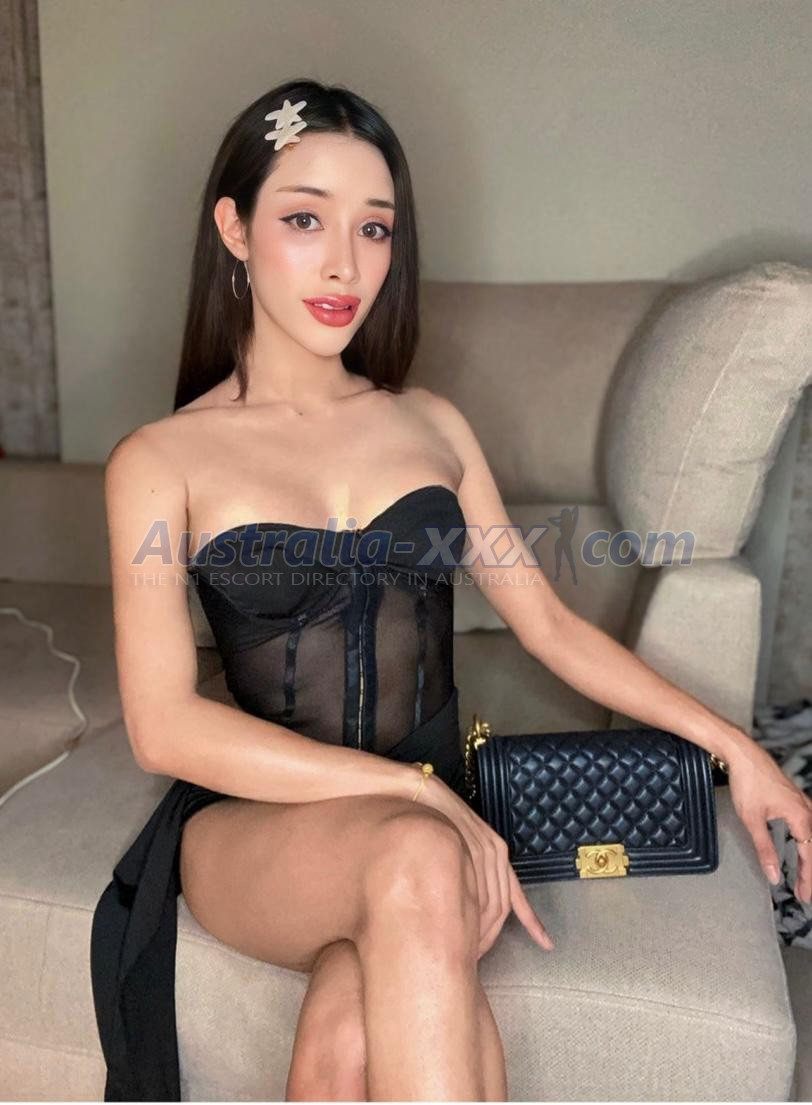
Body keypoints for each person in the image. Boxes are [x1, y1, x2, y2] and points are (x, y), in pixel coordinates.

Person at [89, 77, 812, 1103]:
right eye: (304, 219)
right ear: (234, 229)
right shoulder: (159, 460)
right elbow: (163, 728)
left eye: (374, 228)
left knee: (346, 1028)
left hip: (421, 829)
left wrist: (738, 751)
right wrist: (413, 792)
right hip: (258, 825)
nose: (345, 265)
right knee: (421, 859)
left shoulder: (430, 424)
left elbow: (549, 625)